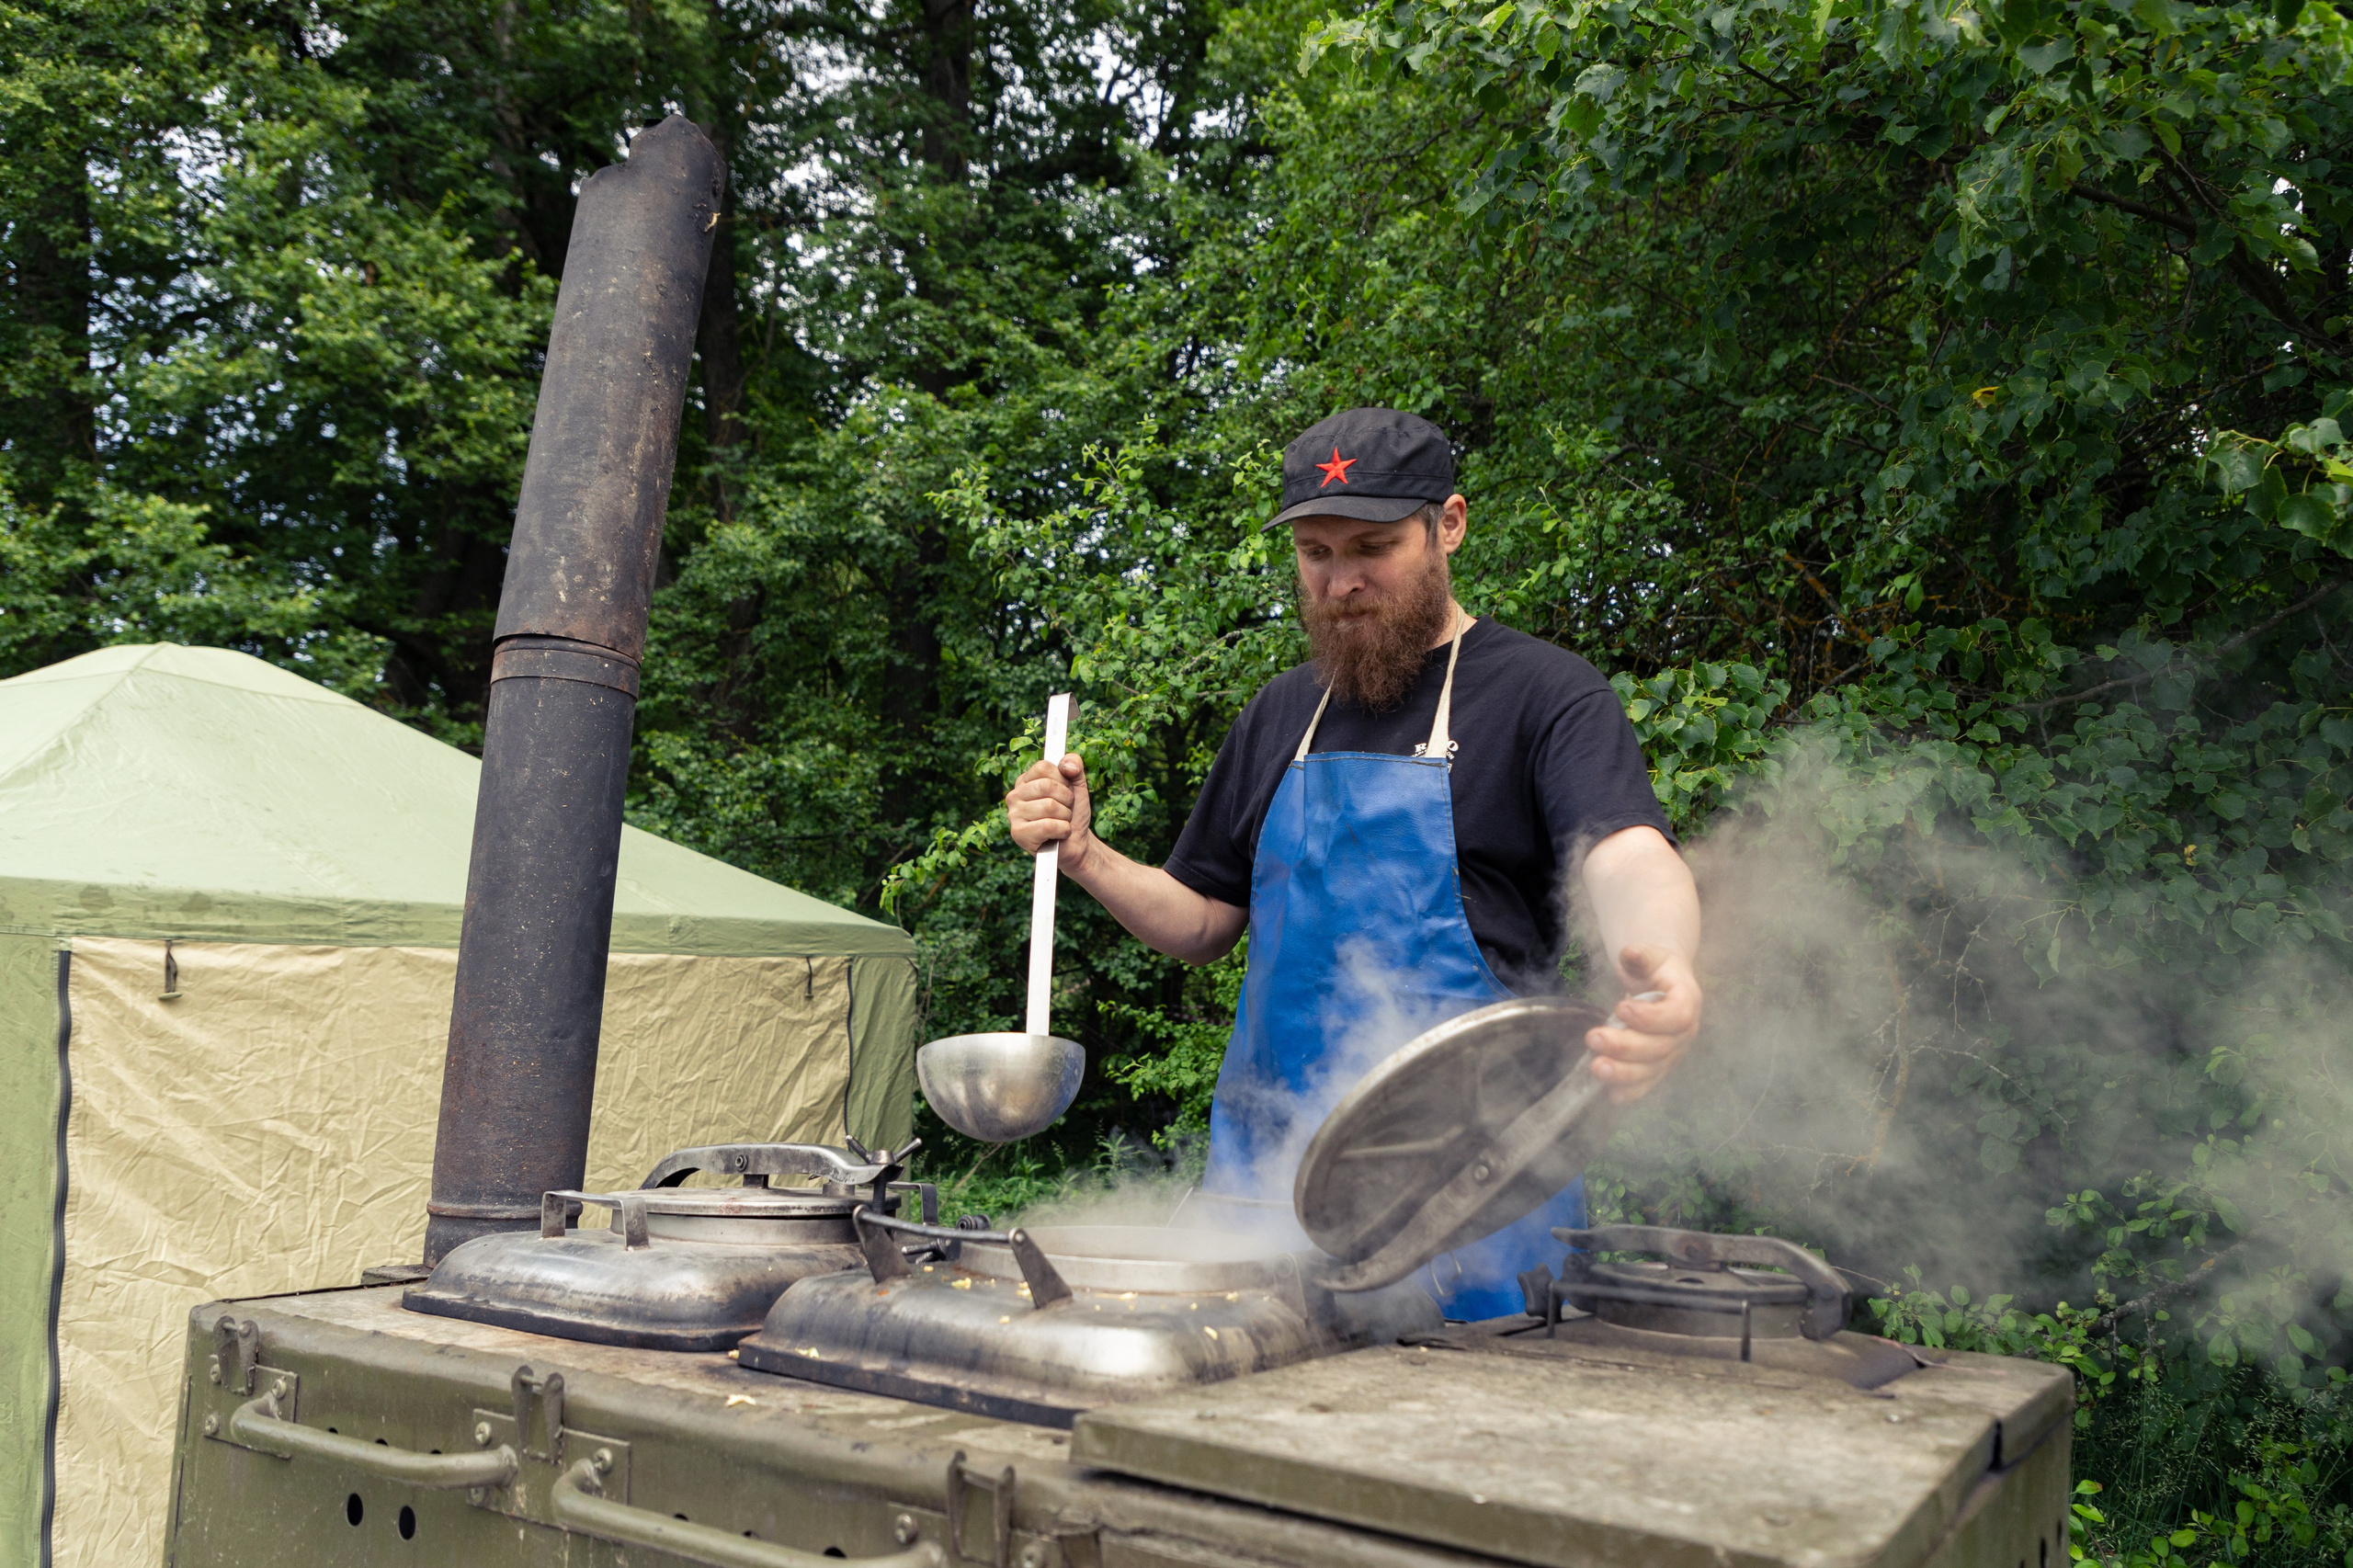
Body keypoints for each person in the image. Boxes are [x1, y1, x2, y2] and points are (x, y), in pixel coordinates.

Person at [1006, 407, 1702, 1318]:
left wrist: (1664, 968)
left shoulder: (1544, 693)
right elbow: (1203, 919)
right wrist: (1085, 852)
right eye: (1316, 554)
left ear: (1446, 524)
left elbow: (1626, 850)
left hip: (1477, 1212)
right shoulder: (1278, 712)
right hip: (1264, 1199)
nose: (1341, 582)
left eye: (1371, 547)